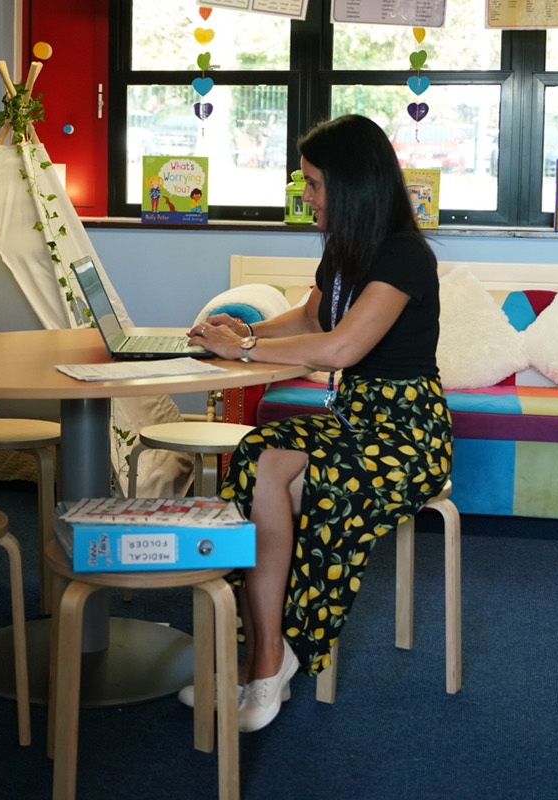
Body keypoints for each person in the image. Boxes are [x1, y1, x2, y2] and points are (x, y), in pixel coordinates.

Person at [185, 114, 453, 732]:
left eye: (313, 185)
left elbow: (339, 350)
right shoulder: (346, 249)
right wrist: (245, 331)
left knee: (302, 481)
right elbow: (310, 320)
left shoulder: (405, 257)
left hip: (407, 436)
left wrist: (243, 354)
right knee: (259, 456)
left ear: (353, 186)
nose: (306, 198)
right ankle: (263, 653)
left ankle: (272, 656)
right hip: (355, 420)